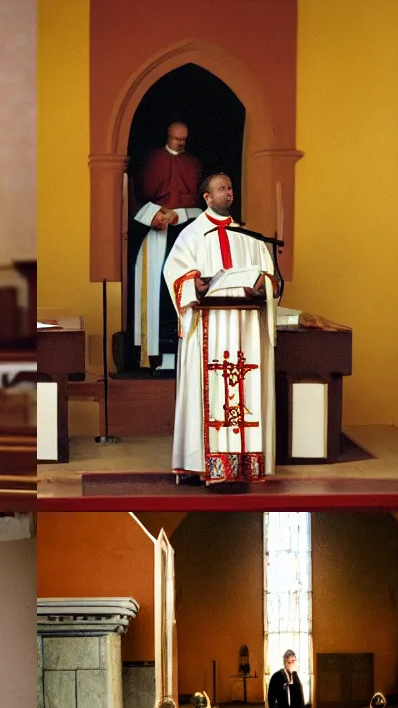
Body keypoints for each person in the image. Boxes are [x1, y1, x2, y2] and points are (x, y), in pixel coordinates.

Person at [162, 172, 281, 488]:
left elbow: (271, 279)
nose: (228, 193)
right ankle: (199, 463)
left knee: (246, 394)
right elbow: (174, 276)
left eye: (230, 188)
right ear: (207, 197)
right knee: (210, 391)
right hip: (209, 328)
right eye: (221, 189)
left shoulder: (249, 237)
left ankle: (244, 464)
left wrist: (263, 286)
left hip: (245, 329)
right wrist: (194, 285)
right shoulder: (190, 236)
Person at [132, 122, 203, 371]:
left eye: (184, 139)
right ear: (168, 136)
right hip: (156, 237)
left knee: (183, 290)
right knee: (156, 294)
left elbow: (200, 206)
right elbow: (137, 197)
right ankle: (157, 356)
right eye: (176, 138)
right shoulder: (153, 160)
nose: (180, 143)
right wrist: (155, 214)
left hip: (186, 236)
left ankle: (185, 353)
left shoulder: (193, 164)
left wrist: (179, 214)